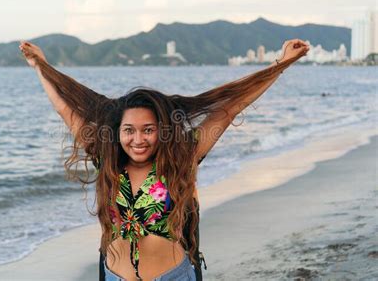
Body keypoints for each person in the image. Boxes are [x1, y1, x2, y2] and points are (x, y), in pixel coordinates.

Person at [19, 39, 309, 280]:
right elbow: (65, 110)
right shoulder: (107, 160)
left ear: (162, 131)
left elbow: (227, 109)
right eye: (129, 131)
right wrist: (39, 67)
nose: (138, 139)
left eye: (148, 130)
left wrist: (280, 65)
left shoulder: (181, 159)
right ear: (117, 133)